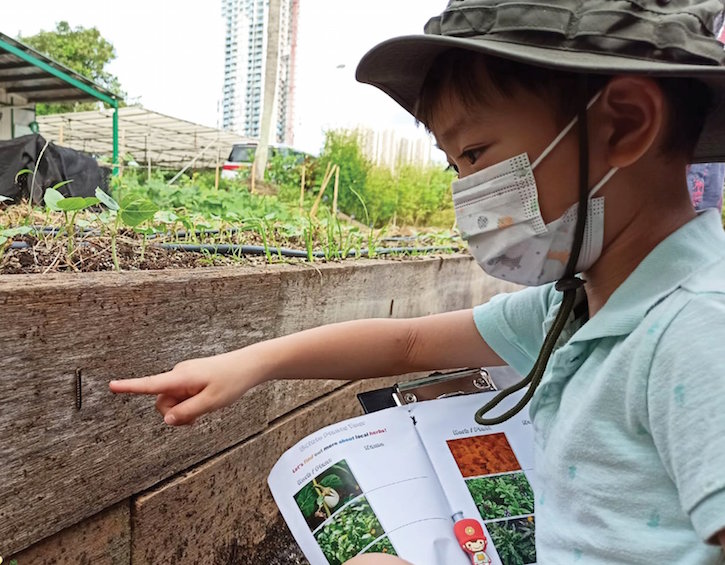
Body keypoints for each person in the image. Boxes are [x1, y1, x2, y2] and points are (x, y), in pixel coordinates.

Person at [110, 1, 725, 563]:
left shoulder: (697, 332)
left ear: (624, 124)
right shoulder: (579, 308)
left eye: (477, 154)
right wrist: (254, 362)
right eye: (455, 164)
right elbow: (409, 343)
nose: (467, 191)